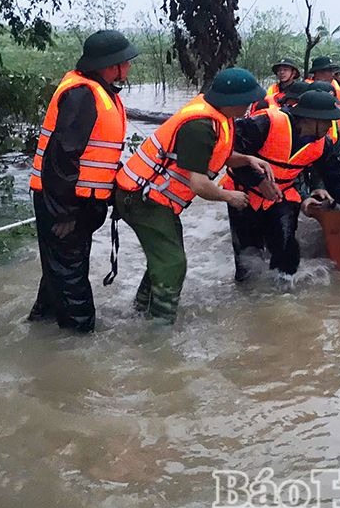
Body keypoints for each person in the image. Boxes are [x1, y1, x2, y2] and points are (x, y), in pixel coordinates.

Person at [115, 68, 271, 323]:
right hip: (142, 199)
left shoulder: (219, 117)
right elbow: (199, 184)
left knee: (165, 260)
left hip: (154, 200)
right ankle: (159, 330)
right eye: (247, 100)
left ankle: (139, 311)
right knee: (173, 264)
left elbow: (216, 155)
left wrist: (248, 159)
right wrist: (230, 197)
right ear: (230, 100)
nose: (250, 105)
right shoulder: (199, 126)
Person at [28, 30, 138, 333]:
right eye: (124, 63)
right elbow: (61, 158)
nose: (128, 68)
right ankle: (78, 341)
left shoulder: (101, 93)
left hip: (79, 201)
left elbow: (93, 155)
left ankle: (40, 329)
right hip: (63, 201)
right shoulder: (82, 95)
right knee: (71, 275)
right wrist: (64, 212)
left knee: (62, 271)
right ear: (108, 66)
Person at [225, 91, 340, 280]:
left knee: (287, 249)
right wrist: (259, 181)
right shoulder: (265, 123)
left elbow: (336, 178)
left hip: (282, 196)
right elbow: (229, 153)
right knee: (247, 255)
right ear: (310, 119)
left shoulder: (322, 144)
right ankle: (248, 296)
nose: (330, 126)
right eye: (327, 121)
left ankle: (284, 295)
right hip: (243, 194)